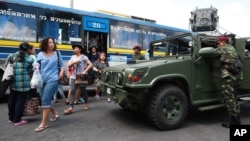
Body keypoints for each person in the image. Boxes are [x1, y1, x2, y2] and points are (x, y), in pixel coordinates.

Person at [34, 37, 64, 132]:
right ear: (45, 44)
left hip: (53, 79)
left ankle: (43, 124)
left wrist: (61, 72)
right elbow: (36, 64)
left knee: (45, 100)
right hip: (42, 80)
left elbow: (62, 66)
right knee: (45, 99)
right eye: (49, 42)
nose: (52, 44)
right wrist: (35, 67)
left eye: (52, 42)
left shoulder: (57, 54)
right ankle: (55, 113)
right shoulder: (40, 54)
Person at [214, 36, 243, 128]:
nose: (217, 45)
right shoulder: (233, 49)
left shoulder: (223, 49)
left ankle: (234, 123)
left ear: (223, 42)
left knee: (229, 100)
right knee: (234, 98)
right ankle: (236, 118)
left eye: (218, 43)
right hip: (237, 77)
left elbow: (213, 53)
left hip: (228, 78)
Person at [7, 42, 34, 126]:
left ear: (19, 48)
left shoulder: (11, 56)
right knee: (20, 101)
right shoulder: (29, 59)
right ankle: (17, 120)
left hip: (13, 82)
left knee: (12, 99)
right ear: (28, 49)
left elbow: (7, 67)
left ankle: (11, 118)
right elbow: (30, 71)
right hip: (24, 83)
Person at [64, 44, 92, 115]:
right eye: (74, 48)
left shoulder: (84, 57)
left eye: (76, 48)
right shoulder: (72, 57)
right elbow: (69, 65)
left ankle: (85, 103)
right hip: (73, 76)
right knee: (73, 90)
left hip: (81, 76)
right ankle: (71, 107)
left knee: (83, 90)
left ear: (80, 49)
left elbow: (90, 64)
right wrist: (74, 62)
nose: (75, 49)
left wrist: (85, 71)